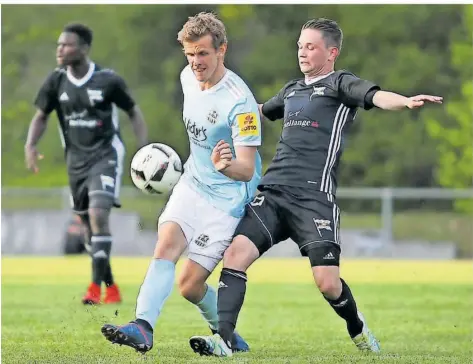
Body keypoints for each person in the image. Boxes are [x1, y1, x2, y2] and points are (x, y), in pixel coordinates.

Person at [189, 18, 443, 357]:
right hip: (273, 192)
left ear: (331, 52)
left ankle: (357, 327)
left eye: (310, 46)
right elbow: (256, 112)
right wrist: (218, 117)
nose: (302, 52)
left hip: (313, 199)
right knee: (235, 256)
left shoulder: (341, 84)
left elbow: (376, 96)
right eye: (299, 46)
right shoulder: (292, 90)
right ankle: (223, 340)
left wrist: (405, 101)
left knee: (327, 283)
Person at [101, 12, 262, 354]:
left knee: (189, 285)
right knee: (166, 244)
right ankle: (142, 327)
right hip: (192, 183)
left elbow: (247, 170)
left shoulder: (240, 102)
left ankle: (228, 335)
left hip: (227, 198)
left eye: (203, 53)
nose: (195, 62)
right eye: (190, 54)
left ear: (222, 50)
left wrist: (224, 167)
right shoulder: (187, 77)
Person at [25, 23, 148, 305]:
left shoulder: (108, 80)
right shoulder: (56, 81)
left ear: (83, 49)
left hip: (105, 156)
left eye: (66, 45)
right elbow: (41, 116)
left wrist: (144, 148)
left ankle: (94, 288)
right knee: (89, 229)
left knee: (98, 213)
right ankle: (112, 287)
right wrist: (30, 145)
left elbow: (134, 111)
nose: (60, 49)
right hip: (75, 162)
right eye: (58, 45)